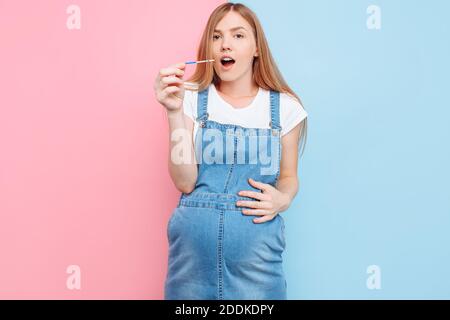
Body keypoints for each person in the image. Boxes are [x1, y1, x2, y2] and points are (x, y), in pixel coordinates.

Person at [153, 2, 308, 300]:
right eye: (216, 36)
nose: (225, 45)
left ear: (256, 48)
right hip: (191, 267)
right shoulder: (187, 100)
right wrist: (173, 112)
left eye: (238, 36)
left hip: (257, 265)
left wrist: (283, 198)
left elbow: (289, 177)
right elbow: (185, 182)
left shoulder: (286, 109)